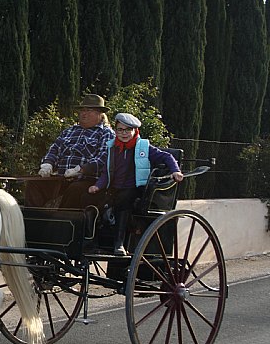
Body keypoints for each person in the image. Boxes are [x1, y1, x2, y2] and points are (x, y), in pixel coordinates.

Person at [86, 112, 184, 255]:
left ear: (135, 131)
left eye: (127, 130)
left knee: (124, 200)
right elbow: (106, 173)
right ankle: (90, 242)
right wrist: (98, 186)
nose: (123, 133)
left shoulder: (143, 147)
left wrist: (175, 171)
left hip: (136, 189)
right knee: (89, 200)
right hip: (114, 189)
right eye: (120, 130)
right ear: (115, 130)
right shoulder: (111, 148)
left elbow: (166, 156)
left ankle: (119, 243)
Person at [25, 94, 115, 209]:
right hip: (60, 178)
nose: (84, 113)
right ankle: (35, 221)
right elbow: (54, 149)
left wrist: (81, 170)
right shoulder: (69, 131)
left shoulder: (106, 133)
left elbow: (103, 158)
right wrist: (47, 164)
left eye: (89, 110)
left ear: (100, 113)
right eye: (82, 110)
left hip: (87, 181)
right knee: (34, 184)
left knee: (75, 190)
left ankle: (61, 222)